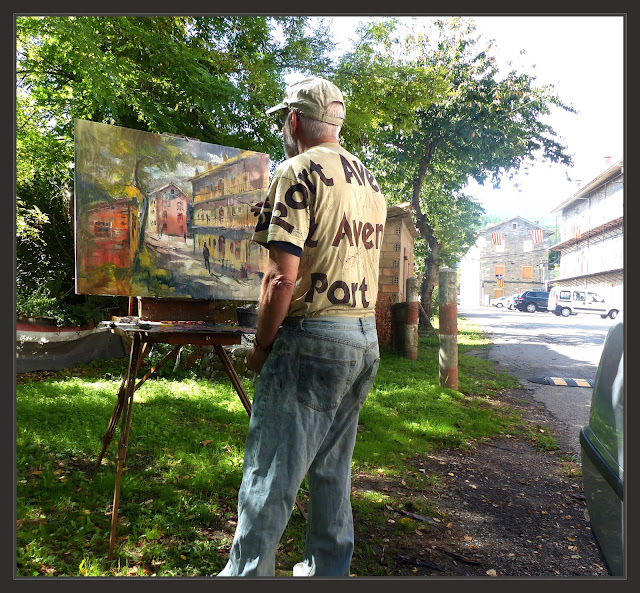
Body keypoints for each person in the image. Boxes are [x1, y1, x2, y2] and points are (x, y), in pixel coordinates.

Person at [217, 76, 386, 577]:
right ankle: (329, 571)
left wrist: (262, 347)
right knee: (333, 469)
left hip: (311, 340)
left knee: (271, 469)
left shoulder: (297, 170)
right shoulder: (367, 179)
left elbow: (279, 280)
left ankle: (247, 576)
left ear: (293, 121)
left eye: (281, 122)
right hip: (362, 340)